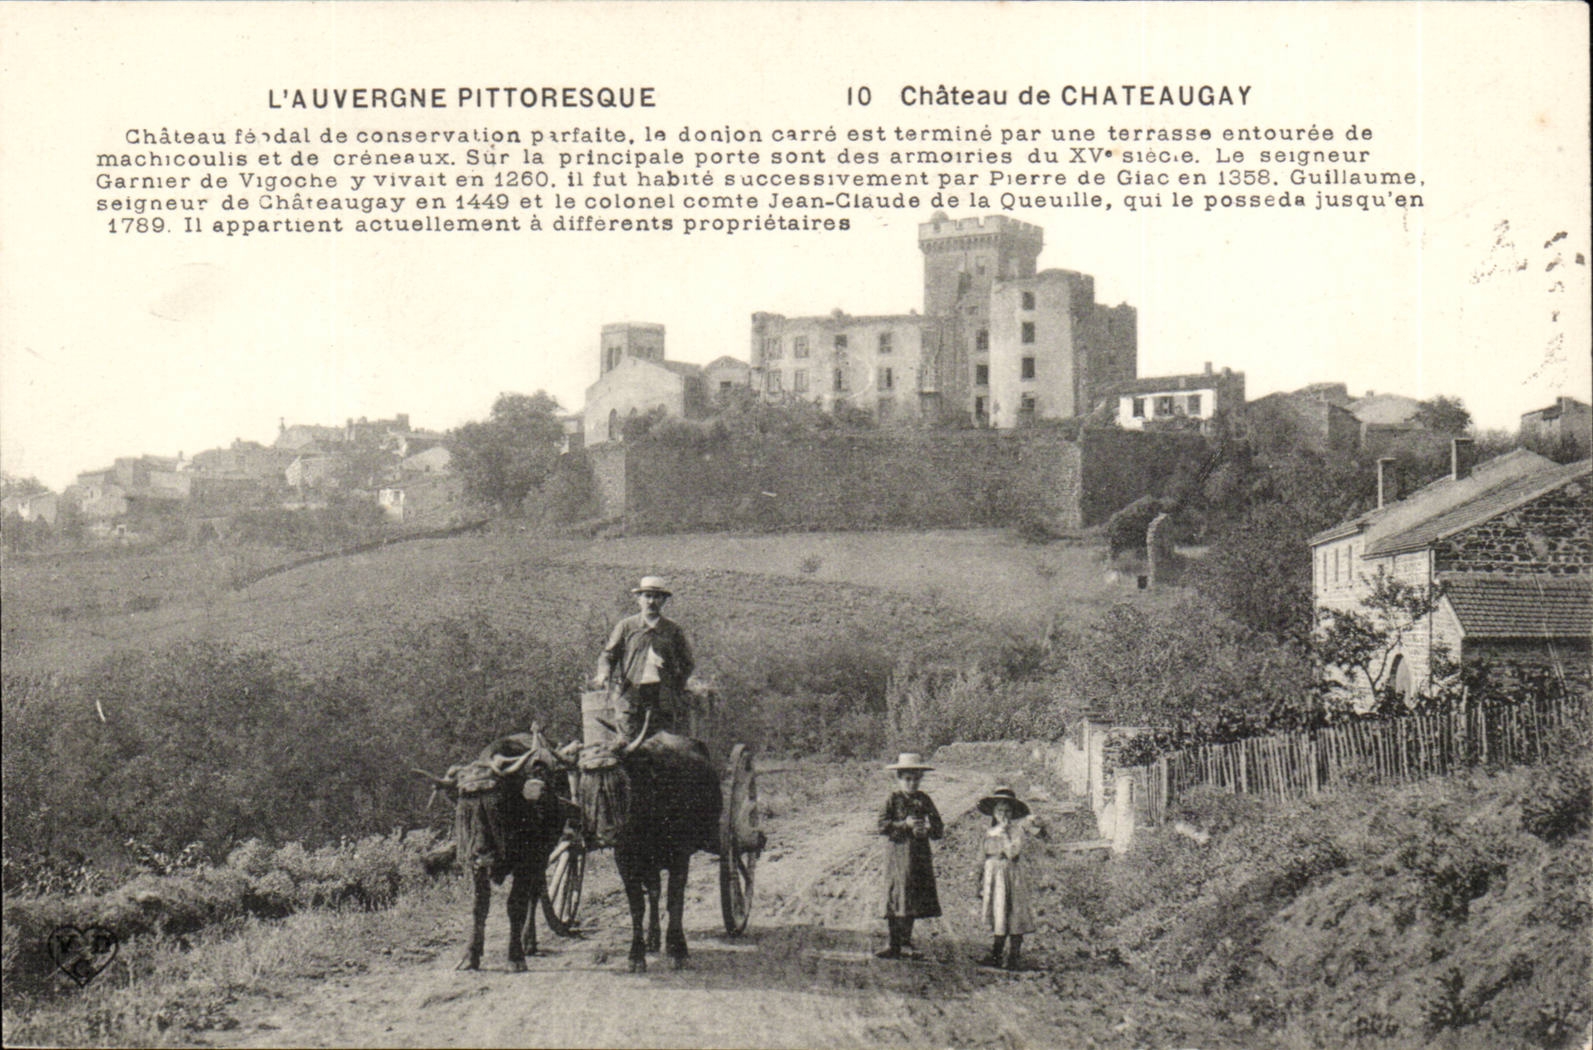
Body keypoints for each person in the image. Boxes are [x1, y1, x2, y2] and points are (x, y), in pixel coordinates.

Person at [595, 575, 694, 738]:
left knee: (662, 747)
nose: (651, 601)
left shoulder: (673, 630)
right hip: (632, 695)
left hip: (662, 699)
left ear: (663, 600)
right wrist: (603, 673)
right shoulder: (626, 626)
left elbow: (687, 663)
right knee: (628, 743)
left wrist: (675, 686)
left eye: (657, 597)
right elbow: (608, 655)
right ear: (638, 599)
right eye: (647, 596)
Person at [876, 753, 943, 960]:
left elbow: (938, 827)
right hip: (897, 853)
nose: (912, 783)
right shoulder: (893, 799)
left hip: (919, 854)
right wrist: (905, 824)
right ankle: (893, 942)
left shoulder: (924, 799)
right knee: (897, 894)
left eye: (916, 779)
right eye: (907, 779)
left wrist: (927, 830)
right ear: (899, 779)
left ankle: (906, 941)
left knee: (912, 894)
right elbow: (881, 826)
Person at [976, 786, 1035, 971]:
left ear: (1013, 813)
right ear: (993, 812)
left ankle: (1014, 957)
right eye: (1000, 810)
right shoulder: (988, 832)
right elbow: (981, 856)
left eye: (1008, 810)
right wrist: (978, 879)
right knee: (998, 912)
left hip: (1012, 875)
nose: (1004, 814)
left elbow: (1012, 853)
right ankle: (996, 954)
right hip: (994, 875)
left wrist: (1004, 834)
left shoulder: (1016, 832)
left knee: (1015, 913)